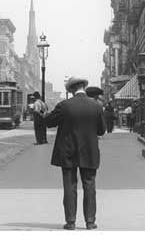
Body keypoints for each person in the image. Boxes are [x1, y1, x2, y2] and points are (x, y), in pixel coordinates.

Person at [45, 76, 106, 230]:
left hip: (68, 151)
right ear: (84, 87)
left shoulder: (64, 106)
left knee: (70, 185)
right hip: (89, 151)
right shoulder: (96, 106)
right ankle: (90, 222)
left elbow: (49, 122)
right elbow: (101, 130)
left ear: (71, 89)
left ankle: (71, 221)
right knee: (90, 186)